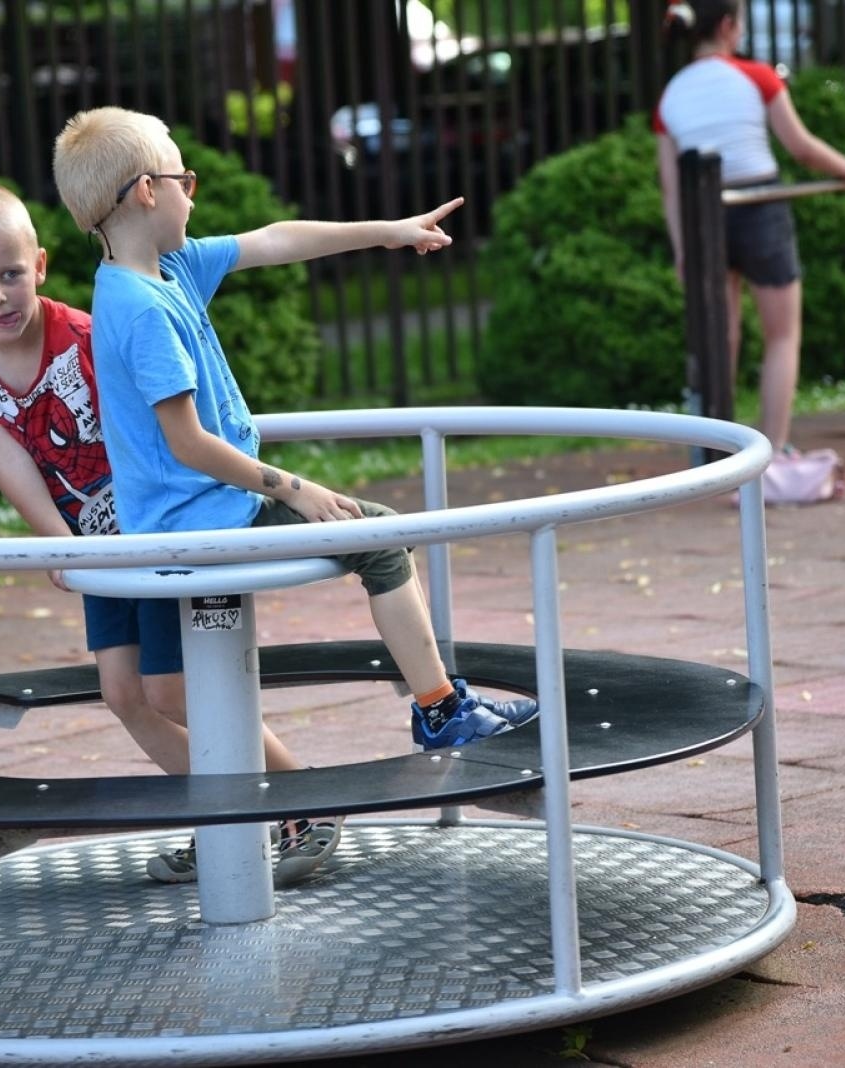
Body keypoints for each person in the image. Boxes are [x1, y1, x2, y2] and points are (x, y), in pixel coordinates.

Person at [50, 106, 538, 766]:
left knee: (170, 689)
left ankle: (279, 807)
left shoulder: (166, 270)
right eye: (183, 181)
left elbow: (277, 239)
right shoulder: (141, 312)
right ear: (146, 190)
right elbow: (187, 442)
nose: (192, 196)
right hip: (207, 517)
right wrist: (297, 489)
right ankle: (440, 707)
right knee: (382, 536)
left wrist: (388, 232)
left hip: (167, 521)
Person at [0, 181, 337, 886]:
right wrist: (60, 540)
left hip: (148, 527)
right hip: (93, 542)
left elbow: (159, 427)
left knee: (171, 690)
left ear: (42, 266)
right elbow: (10, 457)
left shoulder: (88, 334)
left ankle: (303, 801)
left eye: (10, 274)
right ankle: (227, 821)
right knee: (123, 695)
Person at [654, 0, 845, 493]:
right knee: (781, 336)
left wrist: (681, 248)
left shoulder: (670, 95)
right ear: (729, 26)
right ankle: (771, 449)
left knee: (722, 337)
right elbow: (800, 146)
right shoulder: (755, 76)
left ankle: (721, 451)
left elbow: (670, 185)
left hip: (704, 215)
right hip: (760, 203)